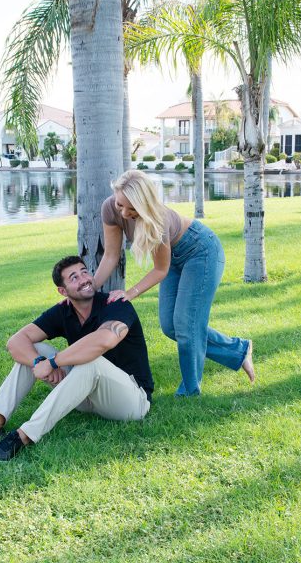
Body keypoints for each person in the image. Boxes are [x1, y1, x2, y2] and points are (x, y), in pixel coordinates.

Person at [0, 255, 154, 463]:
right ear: (63, 291)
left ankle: (24, 436)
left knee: (92, 361)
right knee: (34, 349)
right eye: (74, 277)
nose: (84, 279)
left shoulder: (115, 304)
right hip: (86, 397)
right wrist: (38, 362)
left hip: (131, 401)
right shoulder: (63, 311)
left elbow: (104, 340)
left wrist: (54, 362)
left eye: (84, 272)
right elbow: (16, 341)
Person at [93, 169, 254, 397]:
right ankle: (239, 349)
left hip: (201, 252)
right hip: (173, 260)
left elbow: (160, 269)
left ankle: (190, 390)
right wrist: (91, 287)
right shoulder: (110, 208)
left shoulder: (157, 220)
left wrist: (130, 293)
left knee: (187, 325)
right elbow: (110, 255)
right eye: (121, 205)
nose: (125, 213)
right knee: (170, 327)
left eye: (133, 208)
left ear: (145, 204)